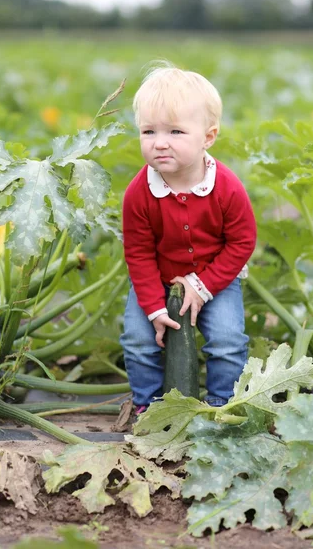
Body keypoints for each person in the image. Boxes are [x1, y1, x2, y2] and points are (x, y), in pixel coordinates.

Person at [120, 63, 257, 415]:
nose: (159, 143)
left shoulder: (226, 187)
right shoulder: (139, 192)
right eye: (148, 131)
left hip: (216, 279)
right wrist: (152, 306)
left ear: (208, 137)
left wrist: (203, 285)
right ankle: (148, 407)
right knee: (138, 340)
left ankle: (222, 405)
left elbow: (242, 243)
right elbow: (137, 252)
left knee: (227, 341)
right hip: (157, 278)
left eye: (176, 132)